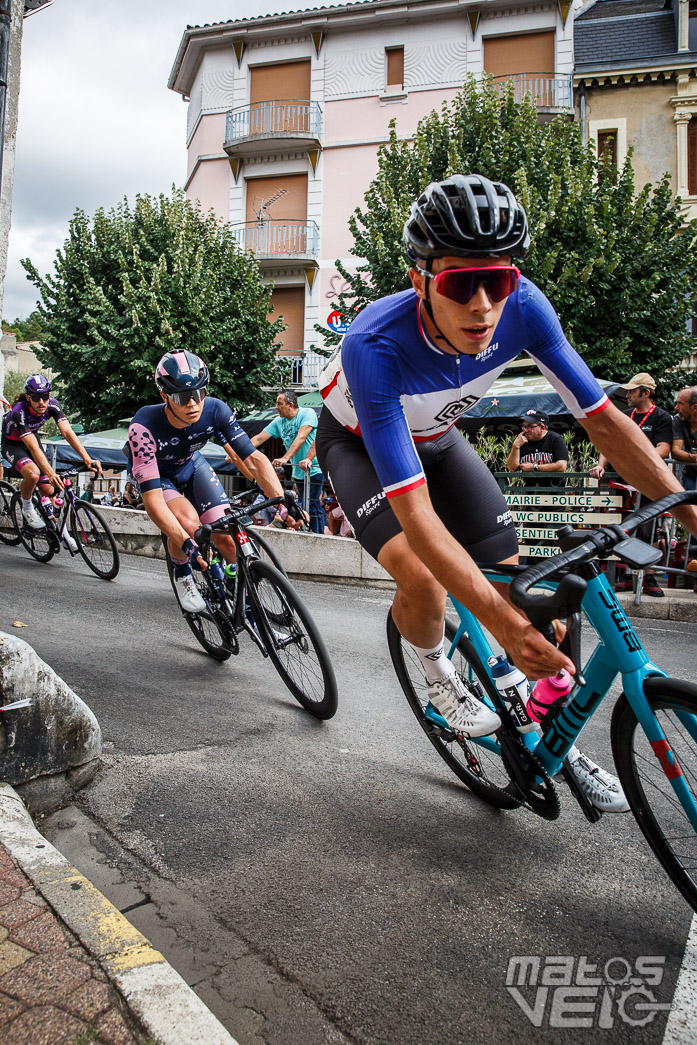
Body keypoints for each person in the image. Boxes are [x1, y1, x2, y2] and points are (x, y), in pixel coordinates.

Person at [314, 173, 697, 812]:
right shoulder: (373, 346)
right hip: (357, 445)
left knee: (521, 581)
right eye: (462, 284)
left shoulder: (526, 308)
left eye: (498, 281)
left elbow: (605, 422)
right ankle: (436, 669)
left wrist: (688, 515)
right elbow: (418, 515)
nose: (484, 306)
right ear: (420, 281)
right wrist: (504, 628)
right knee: (424, 573)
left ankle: (558, 745)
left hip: (438, 437)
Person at [128, 350, 293, 613]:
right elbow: (153, 501)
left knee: (226, 536)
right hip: (160, 477)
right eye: (183, 397)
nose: (193, 403)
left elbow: (253, 458)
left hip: (191, 464)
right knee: (188, 523)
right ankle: (182, 574)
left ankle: (245, 594)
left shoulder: (215, 409)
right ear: (164, 397)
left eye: (199, 393)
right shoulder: (143, 426)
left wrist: (282, 501)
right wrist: (185, 544)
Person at [589, 372, 673, 597]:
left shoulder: (662, 417)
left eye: (632, 391)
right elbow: (609, 444)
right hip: (624, 482)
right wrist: (601, 465)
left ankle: (649, 577)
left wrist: (642, 459)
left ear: (645, 393)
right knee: (624, 528)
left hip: (648, 481)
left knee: (648, 531)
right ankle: (626, 576)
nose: (627, 395)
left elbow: (664, 447)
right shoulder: (624, 415)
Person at [0, 374, 101, 550]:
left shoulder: (53, 405)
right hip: (13, 444)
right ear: (28, 397)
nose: (42, 402)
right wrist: (51, 473)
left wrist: (87, 458)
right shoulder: (19, 412)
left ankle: (64, 534)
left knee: (49, 491)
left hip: (33, 439)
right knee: (33, 474)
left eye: (45, 396)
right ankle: (27, 507)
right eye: (36, 398)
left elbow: (68, 433)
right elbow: (33, 449)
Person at [251, 390, 325, 534]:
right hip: (298, 471)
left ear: (290, 404)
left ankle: (317, 535)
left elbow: (301, 438)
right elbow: (259, 438)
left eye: (279, 403)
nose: (276, 407)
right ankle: (304, 531)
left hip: (313, 468)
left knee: (312, 504)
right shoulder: (279, 421)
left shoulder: (307, 413)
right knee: (301, 505)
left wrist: (285, 458)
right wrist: (237, 451)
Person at [506, 408, 568, 485]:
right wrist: (515, 446)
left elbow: (561, 466)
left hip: (553, 490)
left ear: (542, 427)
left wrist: (534, 467)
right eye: (524, 426)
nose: (525, 430)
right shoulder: (522, 440)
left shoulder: (555, 439)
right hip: (528, 491)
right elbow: (512, 468)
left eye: (530, 426)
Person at [672, 387, 697, 493]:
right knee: (690, 505)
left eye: (680, 404)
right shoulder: (679, 419)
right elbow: (675, 451)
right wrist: (695, 458)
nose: (676, 407)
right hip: (690, 475)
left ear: (694, 407)